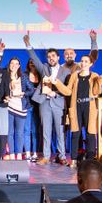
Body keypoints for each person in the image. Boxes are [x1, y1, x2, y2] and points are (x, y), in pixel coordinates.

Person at [23, 31, 70, 166]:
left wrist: (55, 94)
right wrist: (28, 45)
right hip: (44, 103)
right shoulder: (44, 68)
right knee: (45, 131)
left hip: (58, 103)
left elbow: (67, 89)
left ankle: (61, 156)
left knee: (60, 132)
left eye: (53, 56)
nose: (51, 58)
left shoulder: (65, 71)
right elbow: (35, 58)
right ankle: (46, 156)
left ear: (58, 57)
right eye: (49, 57)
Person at [52, 55, 102, 168]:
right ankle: (74, 160)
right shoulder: (74, 76)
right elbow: (67, 91)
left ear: (90, 64)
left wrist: (100, 82)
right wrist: (57, 83)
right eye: (82, 61)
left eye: (86, 61)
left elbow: (96, 92)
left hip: (89, 107)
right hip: (76, 106)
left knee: (90, 134)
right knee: (75, 134)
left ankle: (91, 160)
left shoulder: (94, 76)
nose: (83, 63)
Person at [6, 57, 34, 160]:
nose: (14, 65)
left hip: (21, 107)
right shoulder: (5, 76)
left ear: (19, 66)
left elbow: (31, 90)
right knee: (9, 132)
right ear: (9, 65)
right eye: (12, 63)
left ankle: (18, 153)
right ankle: (12, 154)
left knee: (19, 132)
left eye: (16, 63)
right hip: (9, 107)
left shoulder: (23, 77)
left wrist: (23, 93)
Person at [23, 59, 41, 162]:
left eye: (34, 62)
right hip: (27, 105)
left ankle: (35, 153)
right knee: (26, 130)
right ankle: (27, 153)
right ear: (28, 64)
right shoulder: (24, 75)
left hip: (38, 106)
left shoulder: (41, 75)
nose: (32, 64)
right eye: (30, 62)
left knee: (35, 131)